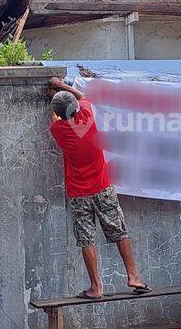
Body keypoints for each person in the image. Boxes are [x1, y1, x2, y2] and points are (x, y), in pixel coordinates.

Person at [48, 77, 151, 299]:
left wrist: (54, 98)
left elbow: (56, 116)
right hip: (102, 188)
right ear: (75, 108)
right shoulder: (87, 117)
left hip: (78, 193)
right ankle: (132, 276)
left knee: (86, 238)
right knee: (119, 230)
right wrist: (63, 86)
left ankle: (96, 287)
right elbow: (83, 97)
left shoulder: (57, 129)